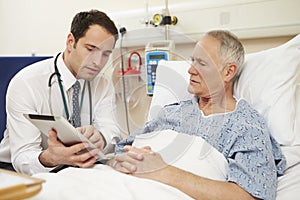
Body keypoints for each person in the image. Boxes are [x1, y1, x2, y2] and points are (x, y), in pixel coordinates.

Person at [107, 30, 286, 200]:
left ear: (228, 72)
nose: (191, 70)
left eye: (202, 63)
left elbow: (250, 195)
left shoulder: (247, 125)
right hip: (121, 186)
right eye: (193, 61)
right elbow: (123, 150)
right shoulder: (172, 112)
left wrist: (162, 171)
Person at [0, 9, 121, 175]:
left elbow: (112, 132)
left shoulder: (103, 85)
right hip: (20, 171)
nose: (97, 62)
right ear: (71, 42)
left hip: (75, 169)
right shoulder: (26, 83)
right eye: (91, 49)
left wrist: (101, 137)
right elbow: (22, 157)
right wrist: (50, 158)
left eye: (105, 54)